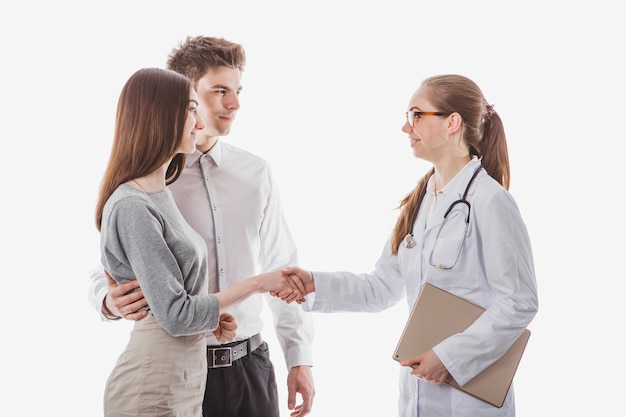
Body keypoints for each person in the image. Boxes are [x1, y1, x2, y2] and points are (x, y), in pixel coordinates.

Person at [281, 74, 539, 417]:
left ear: (452, 122)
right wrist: (315, 283)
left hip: (470, 398)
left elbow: (519, 302)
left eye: (416, 115)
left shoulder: (491, 201)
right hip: (419, 389)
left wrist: (450, 357)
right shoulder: (420, 202)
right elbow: (382, 287)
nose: (407, 128)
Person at [88, 37, 315, 417]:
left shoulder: (255, 173)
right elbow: (113, 262)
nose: (235, 104)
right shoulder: (149, 182)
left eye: (238, 91)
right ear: (183, 95)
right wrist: (107, 300)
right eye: (220, 91)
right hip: (182, 367)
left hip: (249, 363)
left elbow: (282, 263)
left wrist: (299, 357)